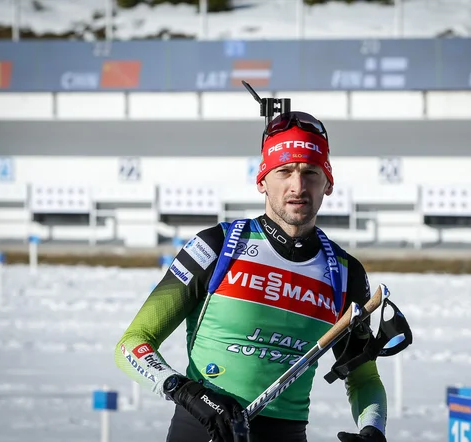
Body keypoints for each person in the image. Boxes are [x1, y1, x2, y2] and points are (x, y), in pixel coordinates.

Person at [115, 110, 389, 442]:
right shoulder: (216, 247)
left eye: (311, 172)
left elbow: (362, 378)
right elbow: (132, 345)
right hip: (201, 430)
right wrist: (184, 391)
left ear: (327, 183)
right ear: (262, 180)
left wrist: (372, 429)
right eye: (284, 171)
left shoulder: (346, 273)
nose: (297, 186)